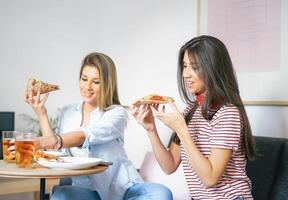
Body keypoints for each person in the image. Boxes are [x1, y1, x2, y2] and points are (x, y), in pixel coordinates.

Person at [24, 52, 173, 200]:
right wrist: (41, 113)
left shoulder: (116, 113)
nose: (87, 87)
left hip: (123, 189)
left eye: (96, 82)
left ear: (107, 84)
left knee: (161, 194)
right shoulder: (68, 112)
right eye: (84, 79)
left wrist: (42, 142)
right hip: (87, 191)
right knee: (61, 195)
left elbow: (86, 135)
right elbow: (54, 150)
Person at [132, 35, 256, 200]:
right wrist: (151, 130)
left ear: (214, 68)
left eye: (194, 67)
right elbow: (169, 166)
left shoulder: (228, 113)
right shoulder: (191, 110)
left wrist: (181, 129)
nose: (185, 74)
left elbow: (210, 178)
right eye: (184, 66)